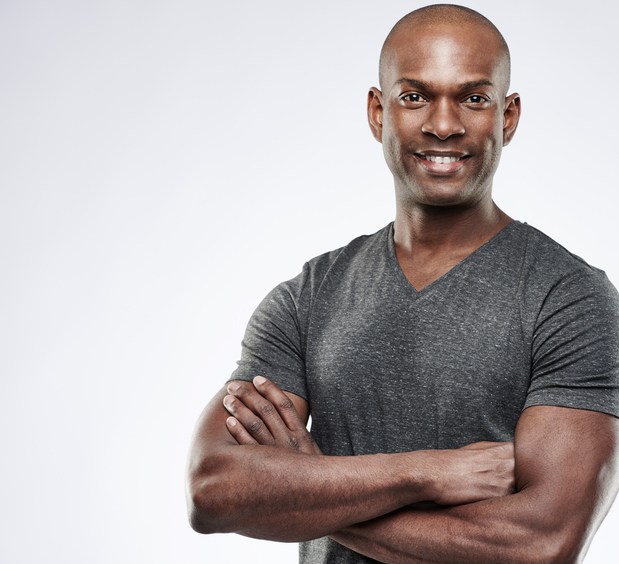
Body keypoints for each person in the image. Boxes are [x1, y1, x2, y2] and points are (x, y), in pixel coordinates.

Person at [186, 4, 619, 562]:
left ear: (507, 118)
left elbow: (541, 543)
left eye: (473, 97)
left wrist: (309, 485)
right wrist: (423, 474)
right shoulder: (310, 296)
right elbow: (214, 492)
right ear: (377, 112)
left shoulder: (571, 300)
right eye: (415, 96)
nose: (444, 124)